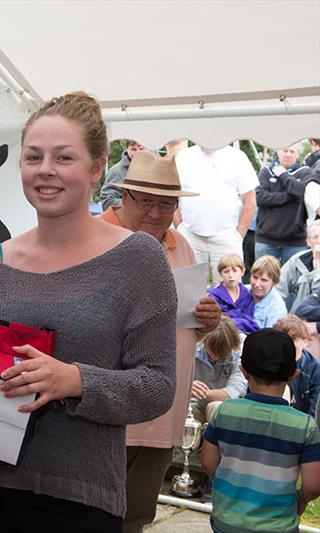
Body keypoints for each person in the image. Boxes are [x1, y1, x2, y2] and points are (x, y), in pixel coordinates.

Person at [0, 93, 178, 533]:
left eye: (63, 157)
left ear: (97, 167)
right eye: (33, 156)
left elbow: (158, 386)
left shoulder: (138, 259)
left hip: (78, 502)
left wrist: (75, 380)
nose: (45, 169)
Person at [99, 149, 221, 533]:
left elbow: (188, 323)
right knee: (91, 510)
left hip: (163, 412)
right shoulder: (94, 238)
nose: (156, 213)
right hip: (105, 408)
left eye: (166, 204)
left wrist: (207, 320)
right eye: (147, 201)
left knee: (137, 515)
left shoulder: (181, 245)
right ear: (124, 197)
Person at [201, 328, 320, 533]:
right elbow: (313, 485)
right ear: (293, 375)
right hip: (278, 526)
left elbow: (208, 462)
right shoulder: (304, 426)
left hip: (226, 522)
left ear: (244, 371)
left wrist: (226, 486)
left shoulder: (225, 412)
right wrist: (301, 499)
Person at [174, 144, 258, 280]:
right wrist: (179, 227)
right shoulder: (183, 157)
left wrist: (238, 235)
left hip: (227, 237)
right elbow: (172, 195)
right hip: (190, 236)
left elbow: (250, 202)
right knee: (187, 289)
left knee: (229, 293)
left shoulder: (237, 157)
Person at [254, 142, 314, 263]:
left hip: (295, 242)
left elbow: (302, 191)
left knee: (295, 281)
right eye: (285, 151)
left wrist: (283, 175)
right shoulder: (266, 171)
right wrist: (290, 197)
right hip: (266, 241)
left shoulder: (306, 172)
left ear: (297, 155)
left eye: (292, 152)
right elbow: (259, 198)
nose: (288, 155)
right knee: (264, 279)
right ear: (278, 152)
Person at [190, 316, 247, 424]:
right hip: (197, 404)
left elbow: (233, 392)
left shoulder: (242, 348)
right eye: (212, 351)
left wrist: (198, 392)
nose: (215, 357)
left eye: (221, 353)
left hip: (227, 407)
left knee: (215, 407)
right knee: (184, 408)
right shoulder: (194, 342)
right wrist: (186, 386)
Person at [274, 315, 320, 419]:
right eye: (283, 338)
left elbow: (314, 413)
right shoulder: (269, 363)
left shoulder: (315, 369)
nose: (287, 344)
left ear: (305, 341)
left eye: (293, 339)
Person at [208, 254, 259, 334]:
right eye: (226, 272)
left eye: (235, 271)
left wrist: (231, 317)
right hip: (222, 334)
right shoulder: (214, 295)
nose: (231, 275)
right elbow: (217, 320)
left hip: (244, 333)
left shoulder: (247, 294)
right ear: (220, 273)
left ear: (242, 271)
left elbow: (250, 319)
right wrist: (239, 318)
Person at [276, 220, 320, 312]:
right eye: (315, 237)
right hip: (299, 318)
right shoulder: (298, 260)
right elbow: (279, 288)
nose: (319, 241)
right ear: (308, 241)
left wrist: (317, 264)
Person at [99, 139, 143, 211]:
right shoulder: (116, 172)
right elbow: (107, 202)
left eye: (141, 149)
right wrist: (134, 206)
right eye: (134, 149)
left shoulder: (155, 170)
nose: (138, 153)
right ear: (127, 149)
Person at [247, 255, 287, 327]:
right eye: (255, 277)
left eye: (264, 280)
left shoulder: (277, 309)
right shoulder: (241, 290)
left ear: (274, 282)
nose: (257, 284)